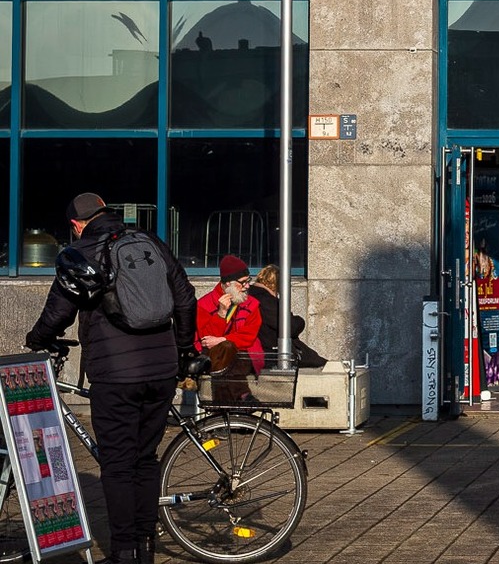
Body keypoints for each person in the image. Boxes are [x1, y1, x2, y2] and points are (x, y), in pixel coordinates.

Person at [24, 191, 197, 564]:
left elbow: (59, 311)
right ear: (108, 214)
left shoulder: (82, 253)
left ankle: (124, 552)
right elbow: (185, 297)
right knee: (145, 459)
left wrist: (37, 339)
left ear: (75, 224)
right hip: (162, 370)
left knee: (117, 464)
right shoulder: (149, 241)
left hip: (115, 374)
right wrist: (183, 351)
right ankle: (145, 547)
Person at [196, 255, 263, 396]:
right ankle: (243, 395)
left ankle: (229, 405)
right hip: (213, 357)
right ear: (228, 284)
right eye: (243, 282)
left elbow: (249, 336)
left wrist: (223, 340)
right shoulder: (204, 304)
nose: (248, 286)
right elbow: (206, 339)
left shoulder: (252, 304)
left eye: (248, 281)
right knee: (225, 351)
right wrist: (220, 314)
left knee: (229, 349)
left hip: (244, 355)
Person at [250, 264, 327, 368]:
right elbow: (289, 327)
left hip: (266, 350)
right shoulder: (266, 301)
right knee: (320, 364)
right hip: (272, 353)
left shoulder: (253, 296)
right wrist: (300, 321)